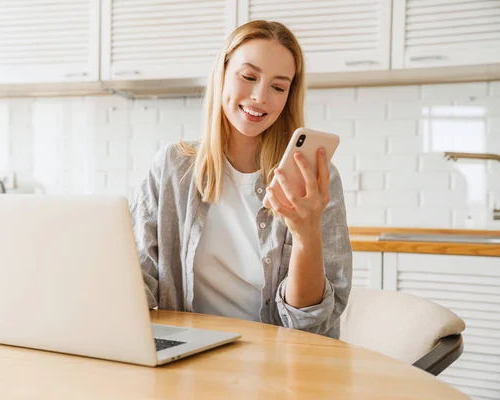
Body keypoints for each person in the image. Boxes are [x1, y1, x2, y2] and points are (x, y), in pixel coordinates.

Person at [130, 20, 352, 339]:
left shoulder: (316, 179)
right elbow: (136, 280)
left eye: (278, 87)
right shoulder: (171, 167)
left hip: (280, 364)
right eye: (248, 77)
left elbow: (309, 324)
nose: (260, 96)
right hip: (190, 357)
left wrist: (306, 236)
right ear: (222, 75)